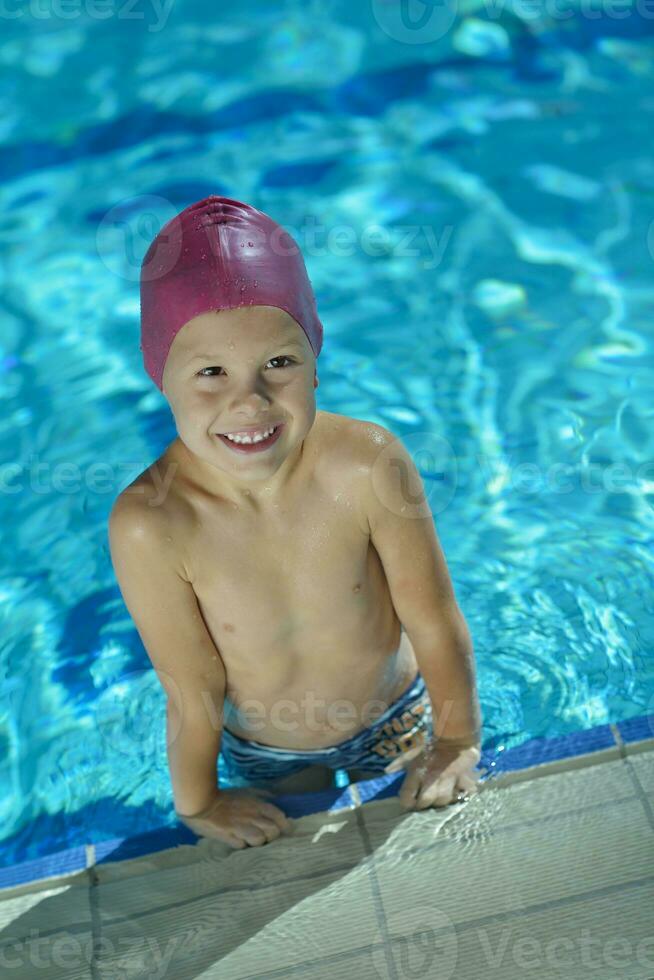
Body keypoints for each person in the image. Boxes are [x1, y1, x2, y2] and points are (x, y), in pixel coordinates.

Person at [108, 195, 483, 851]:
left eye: (278, 364)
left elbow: (433, 618)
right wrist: (198, 805)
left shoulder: (369, 463)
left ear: (315, 356)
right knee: (289, 862)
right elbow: (191, 687)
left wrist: (458, 740)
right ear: (159, 376)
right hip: (266, 750)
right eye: (210, 373)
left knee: (435, 846)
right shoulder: (153, 522)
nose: (247, 403)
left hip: (393, 714)